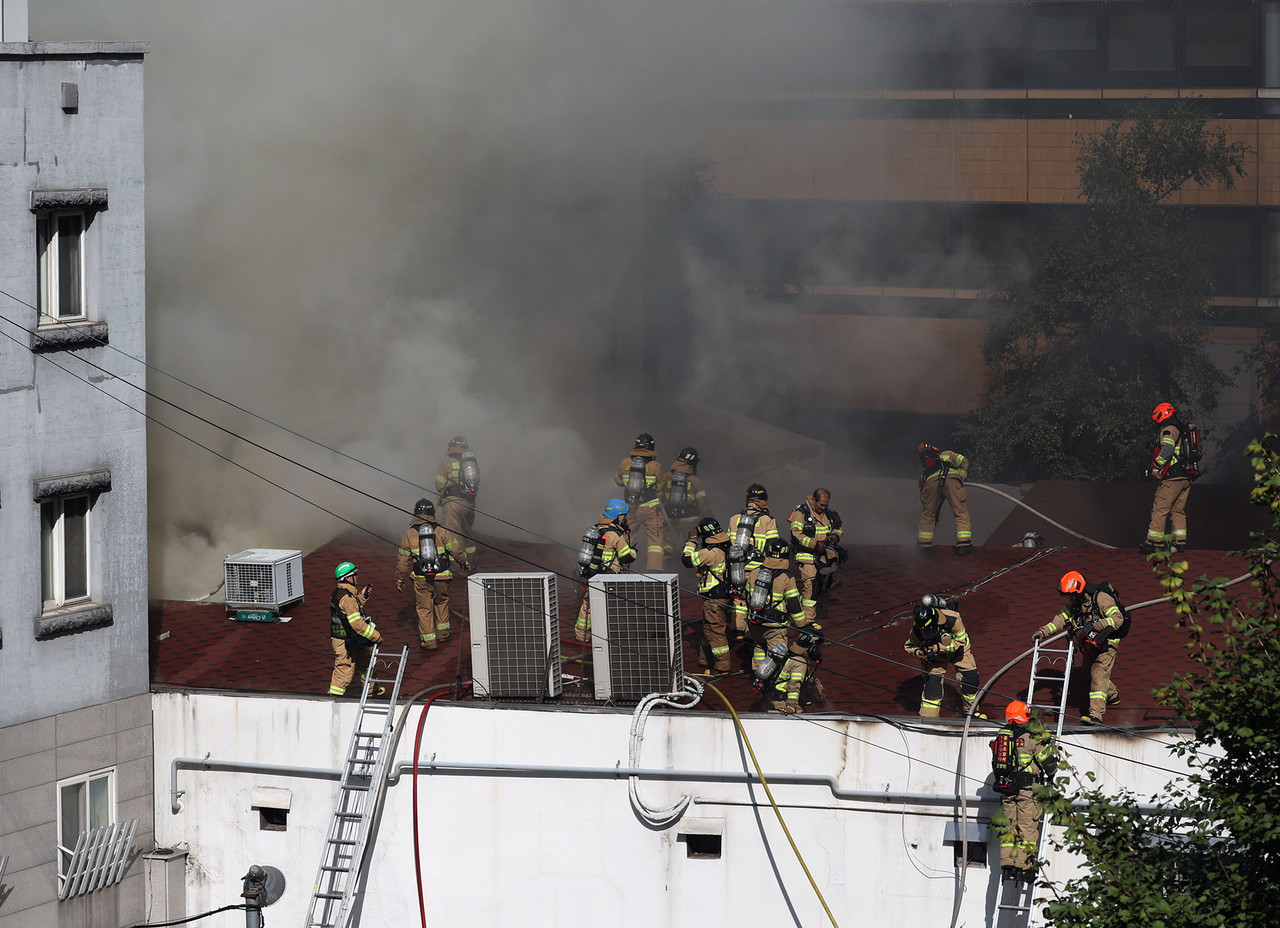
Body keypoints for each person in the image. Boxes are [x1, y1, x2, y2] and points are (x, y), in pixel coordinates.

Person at [1033, 571, 1125, 725]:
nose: (1070, 598)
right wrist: (1043, 632)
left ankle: (1095, 715)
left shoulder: (1101, 598)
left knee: (1098, 674)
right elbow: (1060, 619)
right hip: (1091, 644)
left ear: (1079, 590)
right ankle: (1113, 695)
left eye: (1071, 595)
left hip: (1107, 642)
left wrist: (1097, 626)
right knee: (1087, 675)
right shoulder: (1076, 604)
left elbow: (1118, 618)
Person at [991, 700, 1056, 883]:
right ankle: (1024, 867)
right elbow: (1048, 763)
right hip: (1027, 790)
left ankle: (1007, 863)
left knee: (1010, 826)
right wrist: (1052, 773)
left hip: (1007, 789)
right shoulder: (1031, 737)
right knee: (1027, 827)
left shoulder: (1002, 736)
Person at [743, 537, 810, 712]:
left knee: (759, 652)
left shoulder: (755, 572)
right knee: (777, 662)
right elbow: (794, 604)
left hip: (755, 625)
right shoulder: (787, 578)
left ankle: (760, 684)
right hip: (775, 627)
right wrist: (803, 626)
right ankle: (777, 700)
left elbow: (748, 597)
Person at [396, 498, 470, 650]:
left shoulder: (409, 535)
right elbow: (456, 551)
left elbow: (403, 562)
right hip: (442, 576)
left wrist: (400, 579)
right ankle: (443, 634)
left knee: (424, 609)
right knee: (441, 602)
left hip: (421, 578)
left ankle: (429, 641)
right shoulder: (442, 531)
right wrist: (464, 563)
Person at [903, 597, 985, 719]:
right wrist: (918, 652)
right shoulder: (917, 629)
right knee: (932, 686)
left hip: (959, 652)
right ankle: (928, 718)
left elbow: (960, 642)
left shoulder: (953, 620)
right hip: (935, 658)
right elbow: (910, 645)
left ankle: (972, 713)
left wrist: (938, 648)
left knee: (970, 679)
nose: (927, 635)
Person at [574, 498, 637, 642]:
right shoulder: (615, 535)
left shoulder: (596, 529)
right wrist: (634, 552)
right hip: (610, 578)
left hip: (592, 575)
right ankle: (613, 636)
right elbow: (626, 556)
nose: (625, 519)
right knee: (615, 606)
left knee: (588, 606)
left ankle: (581, 636)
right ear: (619, 516)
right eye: (624, 516)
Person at [1142, 403, 1197, 554]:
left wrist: (1156, 466)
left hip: (1172, 478)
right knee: (1178, 511)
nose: (1156, 421)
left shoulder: (1168, 430)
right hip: (1185, 477)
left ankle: (1154, 542)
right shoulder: (1180, 429)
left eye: (1157, 418)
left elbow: (1167, 450)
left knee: (1160, 509)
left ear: (1161, 415)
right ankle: (1179, 542)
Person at [726, 483, 781, 635]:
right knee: (755, 600)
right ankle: (752, 634)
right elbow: (773, 547)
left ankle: (738, 630)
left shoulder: (734, 519)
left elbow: (728, 547)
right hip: (757, 568)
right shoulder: (768, 520)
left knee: (739, 599)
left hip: (737, 567)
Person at [681, 517, 733, 673]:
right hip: (723, 596)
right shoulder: (727, 546)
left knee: (715, 633)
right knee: (709, 629)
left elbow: (687, 560)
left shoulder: (710, 553)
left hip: (714, 599)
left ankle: (722, 668)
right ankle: (706, 660)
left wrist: (691, 541)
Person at [614, 432, 669, 570]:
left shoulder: (625, 462)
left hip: (630, 507)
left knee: (626, 538)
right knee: (655, 541)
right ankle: (654, 569)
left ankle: (616, 567)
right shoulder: (656, 465)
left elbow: (618, 481)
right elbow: (660, 486)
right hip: (651, 509)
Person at [328, 561, 384, 697]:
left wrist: (362, 597)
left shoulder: (342, 593)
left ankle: (372, 690)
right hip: (344, 642)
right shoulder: (347, 598)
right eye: (355, 575)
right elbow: (357, 624)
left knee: (366, 663)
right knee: (344, 669)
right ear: (348, 578)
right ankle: (334, 698)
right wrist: (375, 636)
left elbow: (350, 611)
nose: (357, 577)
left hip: (352, 639)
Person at [788, 488, 844, 623]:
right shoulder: (801, 513)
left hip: (823, 557)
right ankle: (809, 622)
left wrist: (835, 536)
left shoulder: (829, 514)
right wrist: (815, 544)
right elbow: (796, 534)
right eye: (821, 505)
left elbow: (839, 527)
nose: (823, 507)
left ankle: (799, 611)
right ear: (814, 500)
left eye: (826, 505)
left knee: (817, 587)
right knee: (811, 587)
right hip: (806, 556)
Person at [916, 443, 972, 555]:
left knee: (928, 515)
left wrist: (927, 503)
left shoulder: (923, 468)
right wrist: (960, 477)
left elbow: (922, 487)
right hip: (951, 481)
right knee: (960, 513)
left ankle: (924, 546)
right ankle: (964, 546)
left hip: (930, 485)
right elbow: (964, 461)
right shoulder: (948, 454)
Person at [435, 435, 479, 570]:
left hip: (452, 504)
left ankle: (459, 569)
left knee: (454, 537)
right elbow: (476, 483)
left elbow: (439, 485)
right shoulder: (471, 464)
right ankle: (472, 566)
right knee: (468, 535)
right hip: (469, 504)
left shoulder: (446, 463)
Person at [663, 446, 714, 542]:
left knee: (668, 544)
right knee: (690, 544)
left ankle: (668, 556)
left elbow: (659, 496)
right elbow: (704, 505)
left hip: (671, 518)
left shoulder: (666, 476)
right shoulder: (695, 481)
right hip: (691, 520)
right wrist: (709, 519)